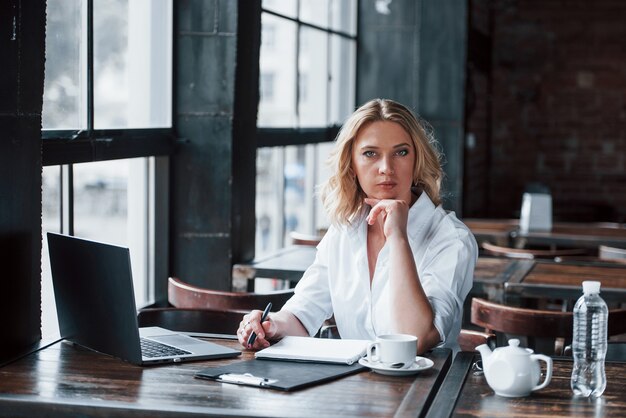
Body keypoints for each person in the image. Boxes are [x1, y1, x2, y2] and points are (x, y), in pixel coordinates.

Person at [238, 98, 477, 354]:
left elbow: (416, 339)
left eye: (401, 152)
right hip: (354, 386)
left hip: (427, 389)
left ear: (416, 161)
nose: (386, 168)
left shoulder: (452, 239)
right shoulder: (345, 229)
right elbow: (303, 312)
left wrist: (398, 239)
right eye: (370, 153)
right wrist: (270, 325)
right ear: (352, 165)